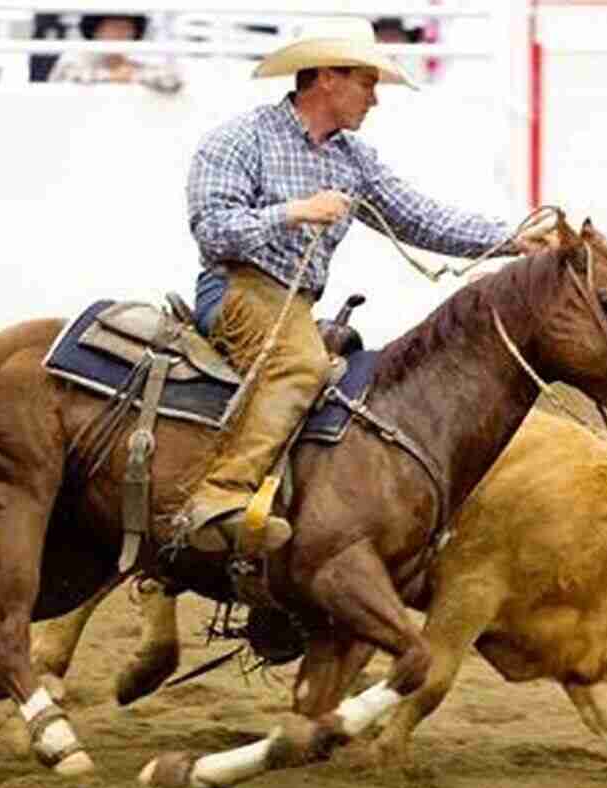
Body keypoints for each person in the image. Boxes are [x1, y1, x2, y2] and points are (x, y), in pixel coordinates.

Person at [179, 17, 554, 556]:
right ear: (328, 77)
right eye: (367, 82)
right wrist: (293, 212)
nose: (374, 99)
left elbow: (419, 218)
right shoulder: (240, 139)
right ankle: (220, 496)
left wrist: (513, 239)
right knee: (301, 367)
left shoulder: (351, 160)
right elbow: (212, 229)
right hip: (236, 288)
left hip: (294, 303)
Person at [47, 13, 181, 94]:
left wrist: (135, 76)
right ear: (96, 31)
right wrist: (110, 76)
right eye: (113, 28)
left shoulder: (141, 57)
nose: (120, 34)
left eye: (126, 28)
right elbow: (64, 78)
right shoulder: (78, 54)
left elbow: (172, 81)